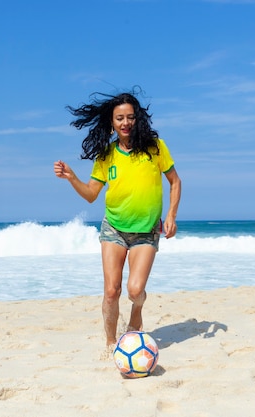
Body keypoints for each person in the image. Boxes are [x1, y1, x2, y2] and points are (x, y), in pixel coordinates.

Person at [54, 89, 181, 348]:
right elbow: (91, 195)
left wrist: (171, 216)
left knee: (135, 291)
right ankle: (111, 344)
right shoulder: (106, 155)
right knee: (112, 291)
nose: (125, 123)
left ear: (138, 119)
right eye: (120, 118)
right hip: (113, 228)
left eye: (130, 117)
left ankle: (137, 311)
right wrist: (72, 178)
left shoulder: (155, 148)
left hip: (146, 230)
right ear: (112, 123)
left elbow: (175, 181)